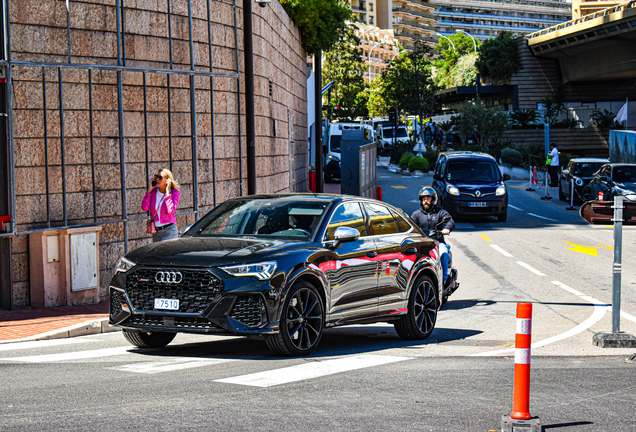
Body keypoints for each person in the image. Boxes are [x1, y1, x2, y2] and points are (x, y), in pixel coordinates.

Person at [411, 187, 455, 286]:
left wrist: (447, 228)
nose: (426, 201)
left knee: (443, 254)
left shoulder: (440, 212)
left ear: (433, 199)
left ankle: (443, 281)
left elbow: (450, 221)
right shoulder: (417, 214)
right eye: (424, 199)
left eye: (428, 198)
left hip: (438, 242)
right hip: (423, 243)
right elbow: (410, 224)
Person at [142, 168, 181, 242]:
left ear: (167, 180)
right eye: (156, 177)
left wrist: (167, 193)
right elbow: (145, 208)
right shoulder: (153, 192)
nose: (157, 179)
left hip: (169, 231)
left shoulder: (175, 193)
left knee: (166, 253)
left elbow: (170, 211)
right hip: (156, 232)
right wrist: (149, 190)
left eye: (160, 178)